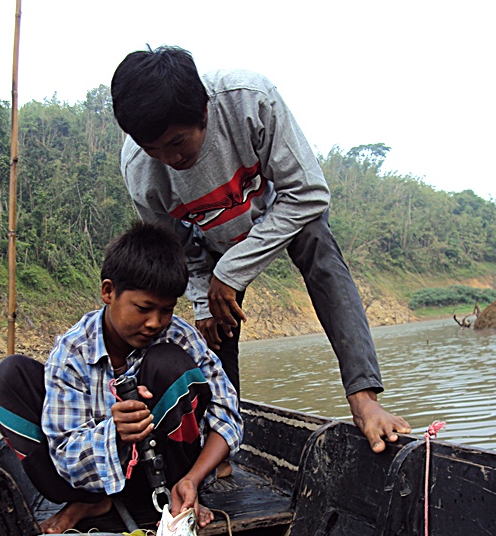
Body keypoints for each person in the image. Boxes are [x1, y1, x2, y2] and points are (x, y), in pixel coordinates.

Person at [111, 45, 411, 453]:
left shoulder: (249, 101)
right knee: (216, 330)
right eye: (155, 149)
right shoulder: (140, 171)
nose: (171, 158)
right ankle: (222, 446)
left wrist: (231, 272)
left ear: (203, 112)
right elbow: (180, 251)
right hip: (211, 243)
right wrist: (204, 302)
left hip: (281, 215)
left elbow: (307, 194)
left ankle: (364, 400)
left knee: (318, 246)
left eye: (177, 142)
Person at [0, 221, 242, 533]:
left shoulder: (178, 336)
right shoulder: (73, 352)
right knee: (9, 375)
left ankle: (180, 493)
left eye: (166, 310)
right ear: (108, 292)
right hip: (91, 480)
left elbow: (227, 415)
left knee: (169, 363)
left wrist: (193, 479)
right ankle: (90, 501)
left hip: (169, 474)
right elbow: (64, 453)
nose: (155, 323)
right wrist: (115, 433)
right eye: (144, 308)